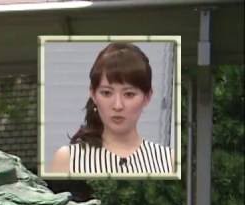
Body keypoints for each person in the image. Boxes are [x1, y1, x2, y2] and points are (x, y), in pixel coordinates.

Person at [49, 42, 174, 175]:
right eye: (107, 93)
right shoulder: (68, 159)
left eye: (129, 94)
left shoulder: (167, 160)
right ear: (93, 94)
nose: (117, 106)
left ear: (147, 97)